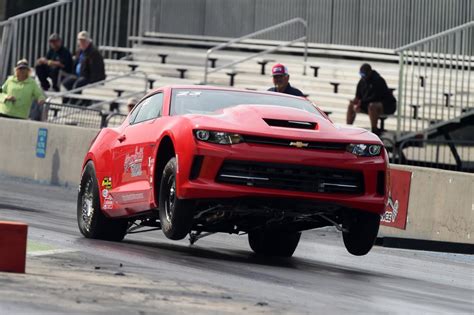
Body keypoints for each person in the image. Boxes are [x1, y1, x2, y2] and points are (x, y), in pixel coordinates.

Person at [347, 63, 396, 135]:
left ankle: (374, 130)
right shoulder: (362, 81)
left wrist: (361, 103)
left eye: (364, 75)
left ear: (369, 72)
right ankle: (348, 127)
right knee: (351, 105)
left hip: (387, 106)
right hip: (368, 104)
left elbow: (375, 98)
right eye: (361, 74)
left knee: (372, 106)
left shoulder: (378, 80)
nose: (362, 77)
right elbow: (358, 96)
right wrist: (355, 102)